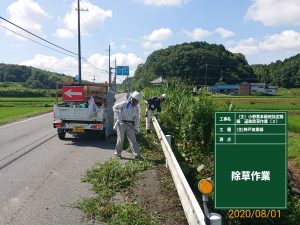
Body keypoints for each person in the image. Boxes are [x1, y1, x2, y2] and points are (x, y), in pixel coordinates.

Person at [113, 91, 141, 159]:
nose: (137, 103)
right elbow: (114, 107)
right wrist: (119, 117)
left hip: (130, 124)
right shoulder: (124, 104)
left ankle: (136, 154)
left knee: (133, 140)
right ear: (133, 99)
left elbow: (137, 118)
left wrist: (137, 128)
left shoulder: (136, 108)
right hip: (121, 124)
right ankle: (117, 153)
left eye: (138, 102)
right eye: (136, 101)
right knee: (120, 139)